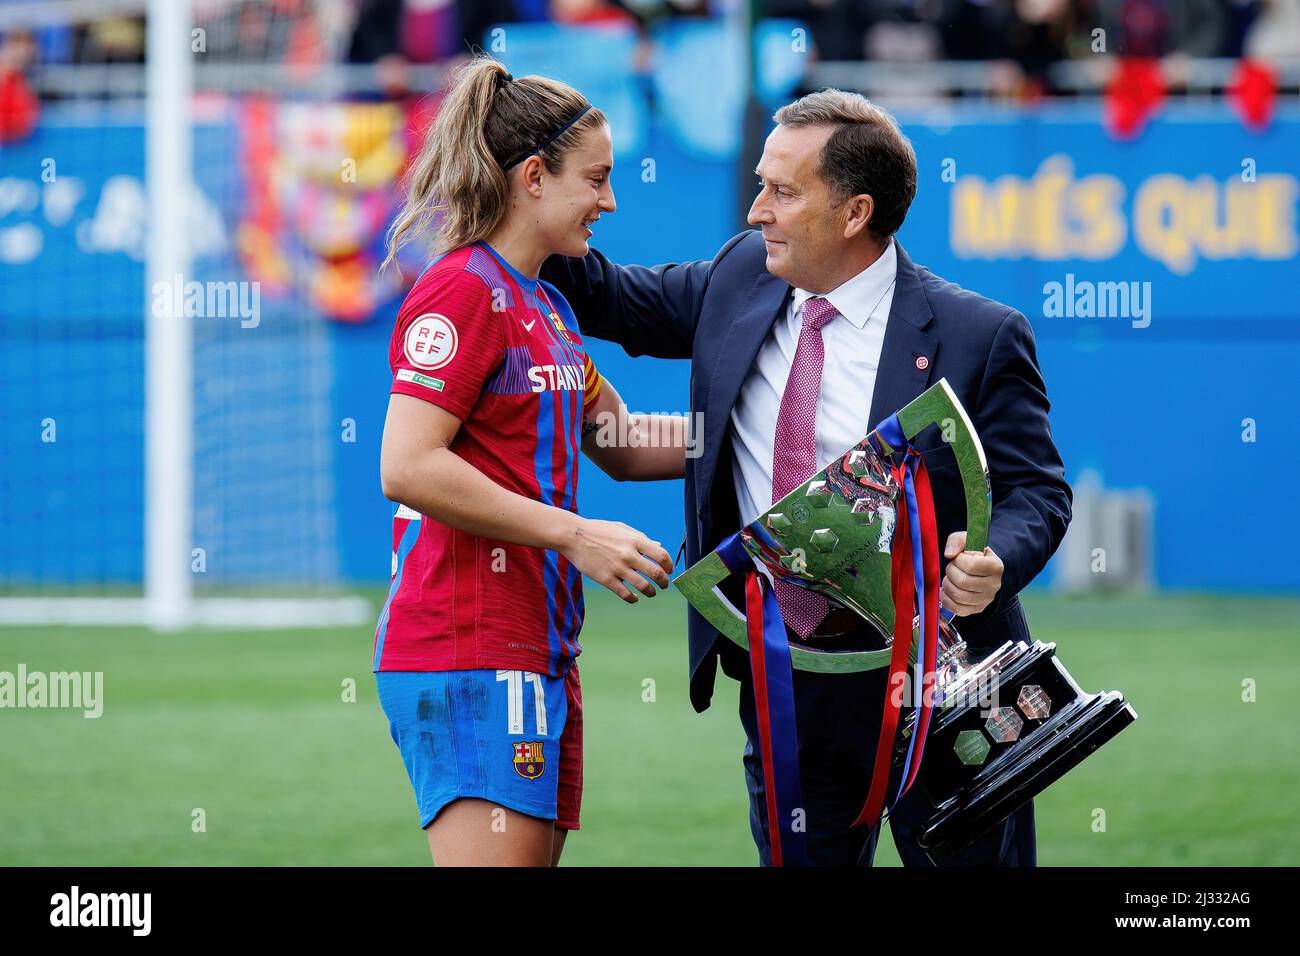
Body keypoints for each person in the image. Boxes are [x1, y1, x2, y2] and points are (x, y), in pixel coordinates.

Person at [541, 89, 1072, 866]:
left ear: (855, 213)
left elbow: (1039, 491)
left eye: (783, 192)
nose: (758, 210)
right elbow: (607, 297)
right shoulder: (737, 278)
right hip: (791, 677)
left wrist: (997, 563)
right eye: (761, 184)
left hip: (951, 681)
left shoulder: (979, 334)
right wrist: (508, 175)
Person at [375, 56, 686, 867]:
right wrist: (577, 535)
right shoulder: (461, 292)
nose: (609, 202)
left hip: (536, 647)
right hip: (466, 645)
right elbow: (407, 465)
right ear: (535, 177)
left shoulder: (548, 302)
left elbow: (619, 443)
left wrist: (780, 435)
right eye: (598, 179)